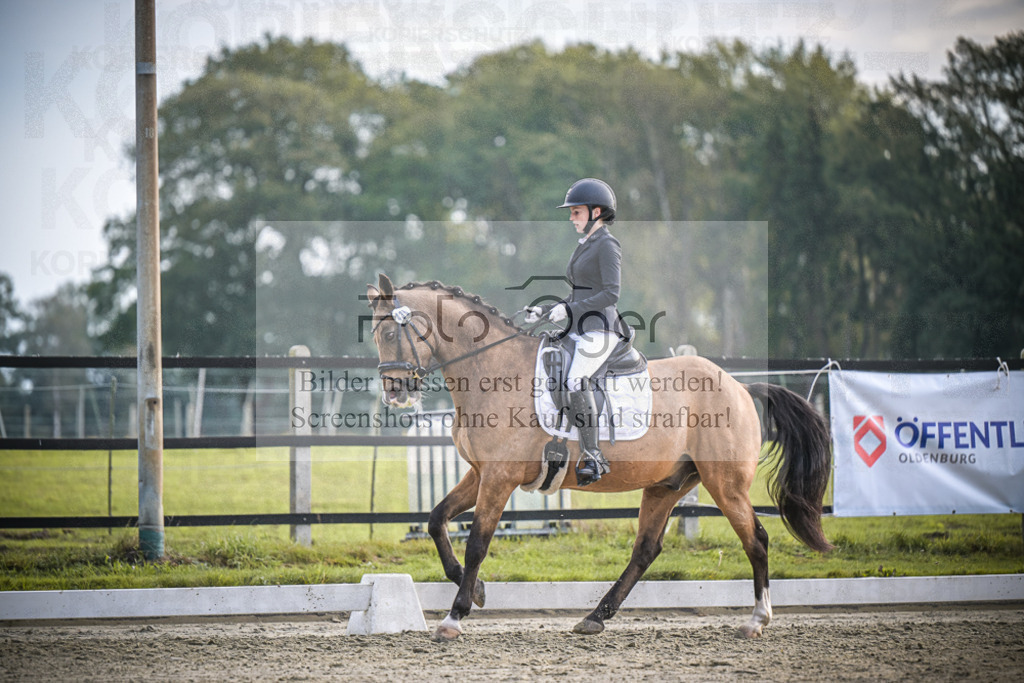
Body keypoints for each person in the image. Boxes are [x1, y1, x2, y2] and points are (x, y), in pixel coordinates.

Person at [525, 178, 632, 486]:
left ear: (596, 211)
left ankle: (593, 454)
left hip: (601, 328)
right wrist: (546, 311)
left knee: (575, 379)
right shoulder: (584, 245)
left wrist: (570, 311)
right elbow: (578, 293)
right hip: (580, 327)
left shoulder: (608, 245)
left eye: (576, 212)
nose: (571, 218)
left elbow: (611, 294)